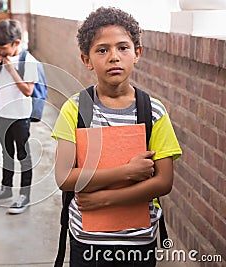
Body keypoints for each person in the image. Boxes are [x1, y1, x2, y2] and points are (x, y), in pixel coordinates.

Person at [51, 7, 182, 266]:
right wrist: (128, 171)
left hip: (138, 242)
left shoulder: (152, 111)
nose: (114, 57)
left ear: (137, 54)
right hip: (87, 241)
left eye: (123, 48)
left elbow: (163, 182)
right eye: (102, 50)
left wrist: (104, 198)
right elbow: (65, 177)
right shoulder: (76, 109)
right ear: (86, 59)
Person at [0, 19, 38, 214]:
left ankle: (24, 195)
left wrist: (11, 70)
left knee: (23, 155)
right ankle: (5, 190)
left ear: (16, 43)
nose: (1, 52)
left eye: (4, 48)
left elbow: (28, 91)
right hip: (1, 114)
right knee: (6, 155)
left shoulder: (27, 60)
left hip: (20, 116)